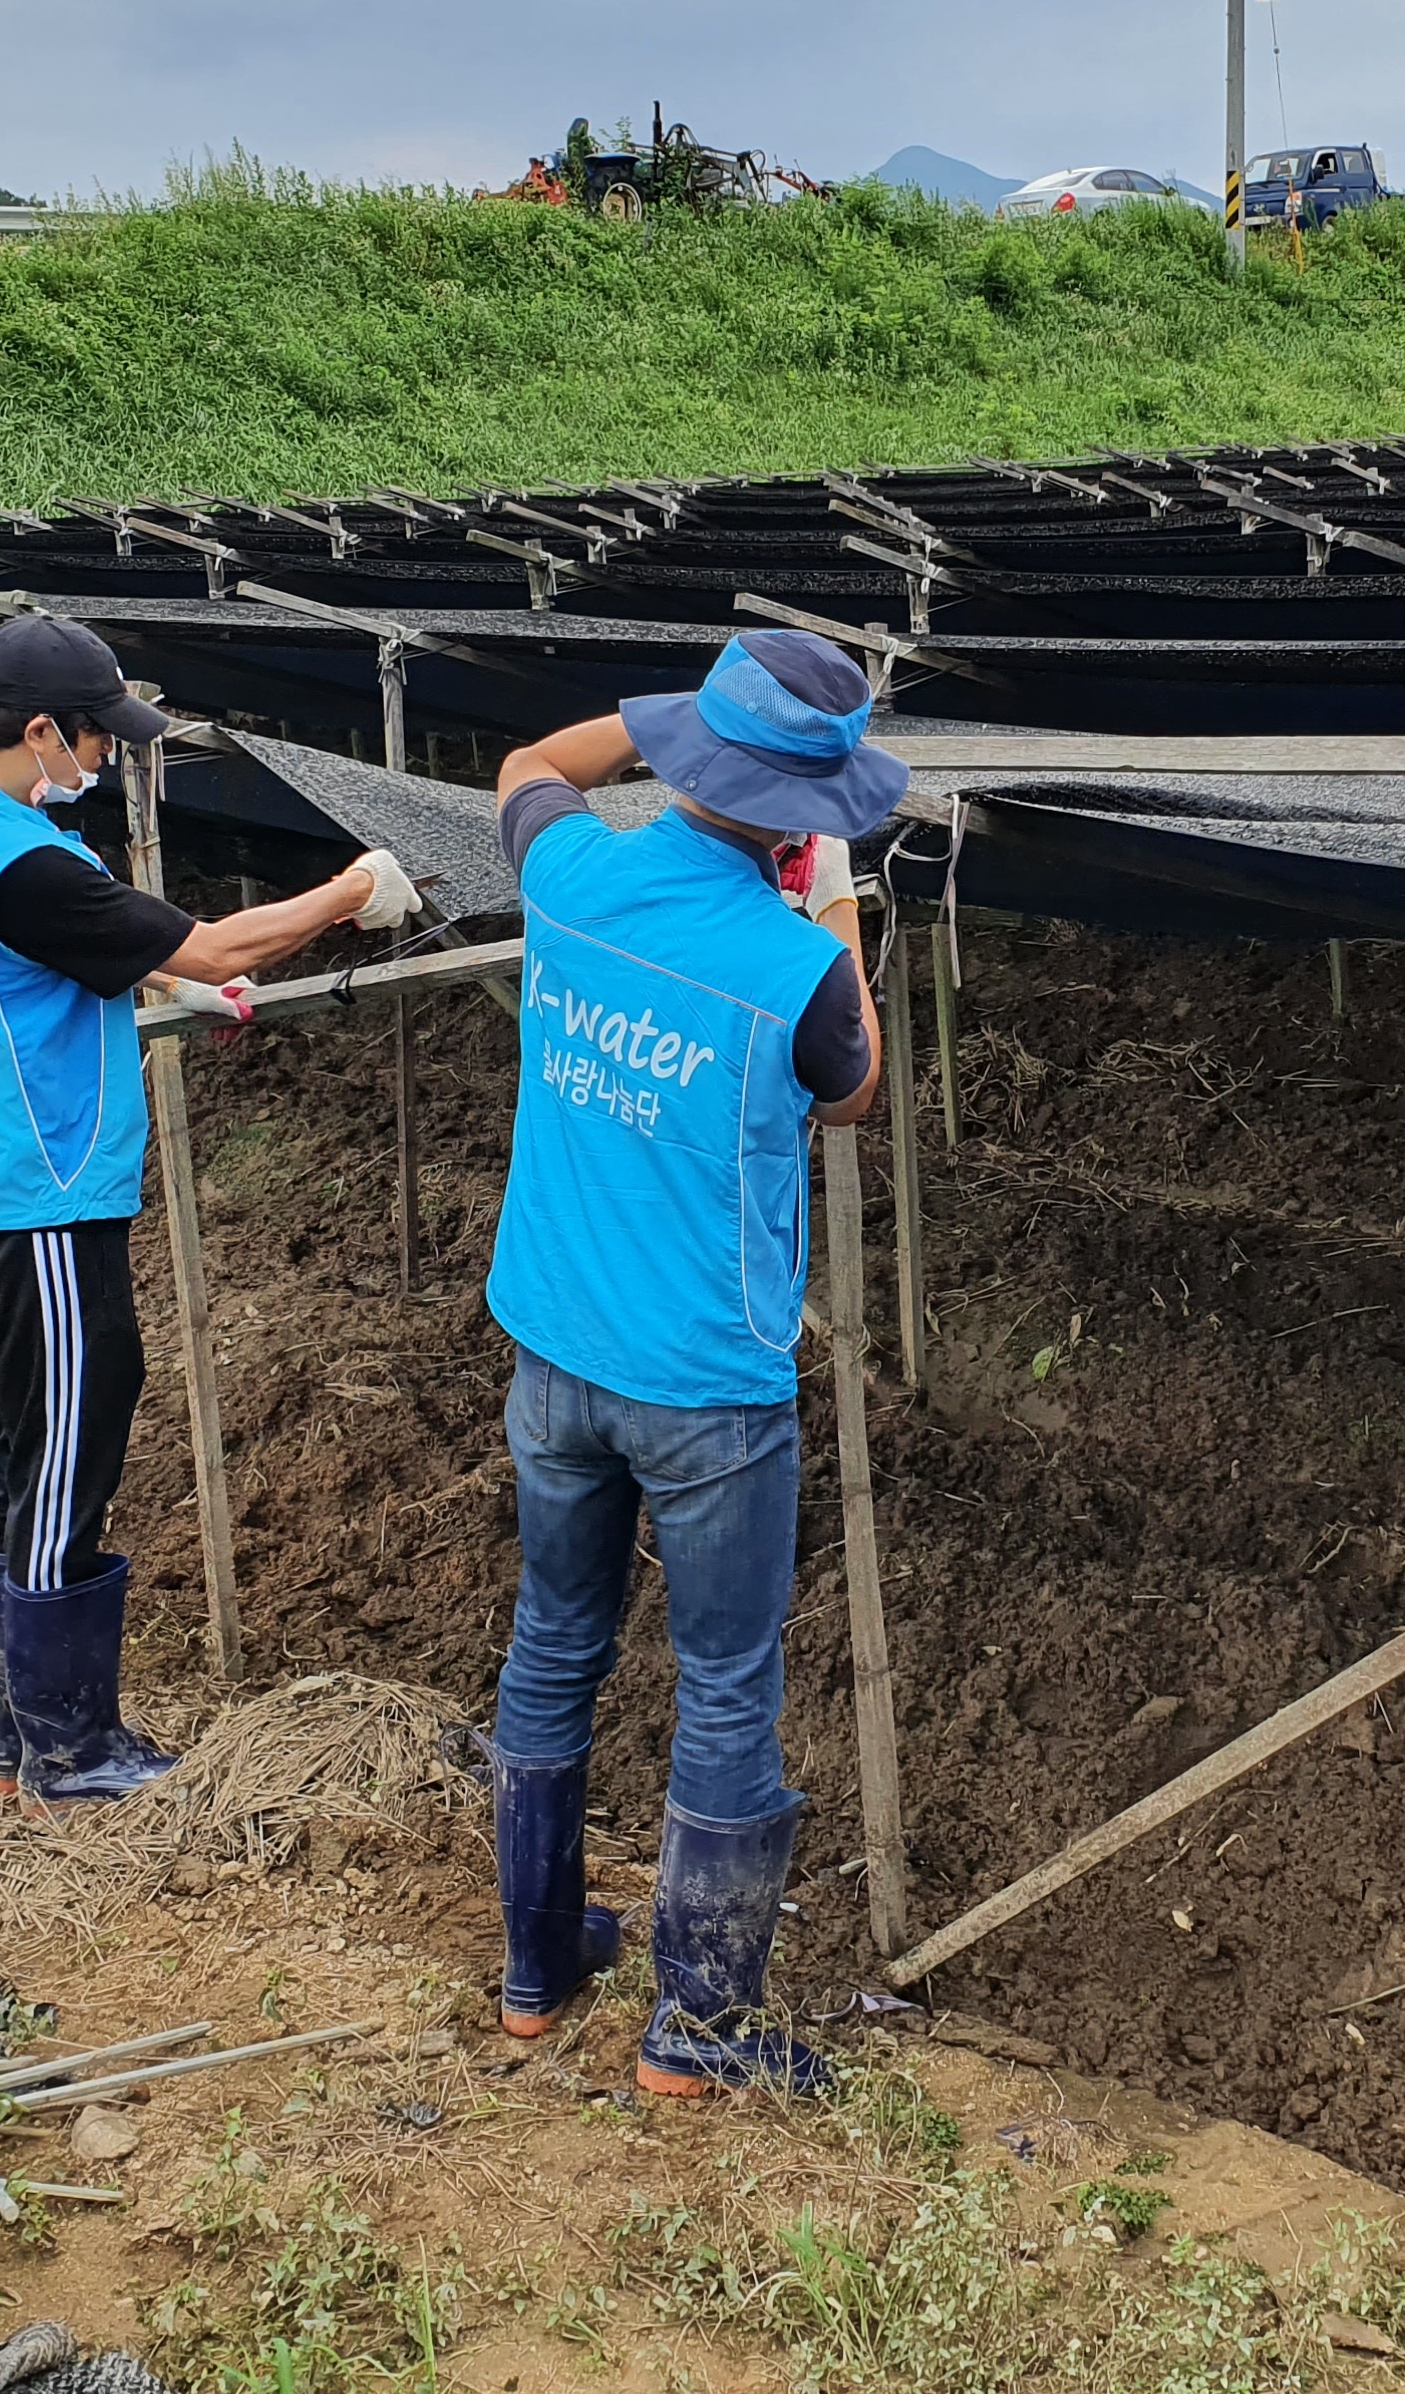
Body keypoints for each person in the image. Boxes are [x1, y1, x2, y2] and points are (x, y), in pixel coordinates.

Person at [0, 614, 419, 1807]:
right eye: (98, 738)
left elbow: (112, 951)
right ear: (39, 734)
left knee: (32, 1433)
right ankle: (70, 1749)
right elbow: (215, 933)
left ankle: (20, 1739)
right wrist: (349, 891)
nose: (108, 757)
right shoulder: (18, 867)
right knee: (74, 1427)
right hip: (29, 1195)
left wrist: (175, 978)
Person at [478, 629, 897, 2098]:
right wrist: (834, 905)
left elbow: (530, 768)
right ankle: (698, 2029)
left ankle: (536, 1970)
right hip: (706, 1382)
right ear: (812, 810)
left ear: (688, 765)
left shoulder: (573, 877)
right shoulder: (793, 969)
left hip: (554, 1350)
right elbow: (855, 1094)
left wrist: (662, 734)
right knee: (724, 1681)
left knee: (554, 1641)